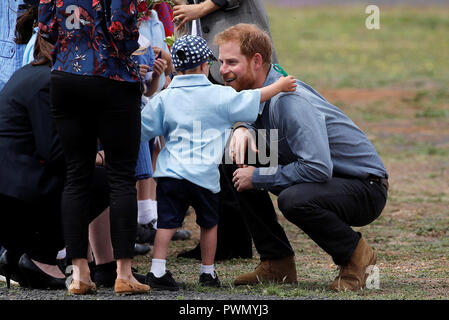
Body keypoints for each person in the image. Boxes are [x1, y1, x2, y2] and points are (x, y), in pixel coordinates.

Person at [215, 24, 389, 291]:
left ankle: (357, 260)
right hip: (330, 177)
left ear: (257, 61)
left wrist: (258, 177)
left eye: (231, 62)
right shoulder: (263, 88)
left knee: (294, 200)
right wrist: (241, 129)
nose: (223, 70)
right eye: (221, 61)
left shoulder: (289, 101)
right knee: (233, 153)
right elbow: (254, 119)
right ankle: (277, 262)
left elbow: (318, 169)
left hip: (364, 186)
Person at [140, 34, 296, 290]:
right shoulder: (219, 95)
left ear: (177, 68)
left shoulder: (165, 98)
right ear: (205, 65)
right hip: (204, 176)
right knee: (209, 224)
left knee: (167, 223)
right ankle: (207, 272)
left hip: (170, 174)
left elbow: (143, 128)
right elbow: (253, 98)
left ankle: (157, 270)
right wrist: (279, 86)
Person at [38, 0, 149, 295]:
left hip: (65, 76)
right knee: (122, 176)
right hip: (111, 76)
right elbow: (121, 29)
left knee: (76, 175)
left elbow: (46, 28)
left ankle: (80, 273)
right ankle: (123, 273)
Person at [0, 33, 111, 290]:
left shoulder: (30, 72)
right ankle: (41, 257)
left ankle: (17, 254)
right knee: (102, 181)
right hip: (14, 192)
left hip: (12, 186)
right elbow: (55, 152)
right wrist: (98, 156)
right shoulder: (48, 82)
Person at [173, 0, 279, 261]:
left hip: (242, 60)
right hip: (209, 63)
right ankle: (222, 241)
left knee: (251, 150)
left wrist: (199, 10)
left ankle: (265, 248)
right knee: (211, 157)